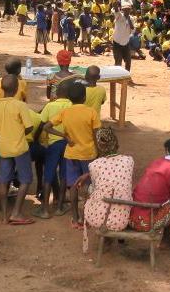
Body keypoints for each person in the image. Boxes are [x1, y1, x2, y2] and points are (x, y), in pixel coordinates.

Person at [43, 82, 101, 225]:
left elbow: (47, 127)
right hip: (88, 153)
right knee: (88, 186)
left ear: (69, 97)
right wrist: (99, 151)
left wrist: (64, 136)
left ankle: (75, 218)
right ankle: (87, 217)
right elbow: (96, 134)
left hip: (71, 153)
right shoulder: (91, 112)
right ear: (84, 97)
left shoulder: (65, 112)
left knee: (73, 185)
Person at [0, 74, 36, 225]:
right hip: (20, 147)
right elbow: (29, 127)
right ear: (17, 89)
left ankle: (4, 216)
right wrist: (19, 134)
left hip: (3, 148)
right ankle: (16, 212)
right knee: (26, 179)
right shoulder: (20, 105)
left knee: (4, 180)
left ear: (2, 88)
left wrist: (1, 138)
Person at [33, 79, 75, 219]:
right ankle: (60, 207)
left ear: (56, 93)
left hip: (54, 145)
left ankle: (45, 209)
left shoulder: (50, 106)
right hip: (68, 144)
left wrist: (35, 140)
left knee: (49, 174)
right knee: (64, 175)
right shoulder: (72, 106)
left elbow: (42, 124)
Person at [78, 126, 135, 231]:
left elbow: (96, 187)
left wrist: (88, 175)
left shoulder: (94, 165)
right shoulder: (129, 160)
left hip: (99, 219)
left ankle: (82, 218)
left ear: (98, 146)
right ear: (116, 143)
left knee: (89, 188)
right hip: (122, 220)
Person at [112, 1, 135, 71]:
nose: (127, 11)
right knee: (118, 61)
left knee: (128, 61)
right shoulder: (119, 15)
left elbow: (132, 28)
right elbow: (116, 10)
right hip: (117, 42)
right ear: (122, 10)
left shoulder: (131, 18)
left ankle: (127, 75)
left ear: (130, 10)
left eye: (128, 9)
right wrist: (115, 4)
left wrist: (129, 20)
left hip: (126, 42)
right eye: (125, 9)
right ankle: (116, 76)